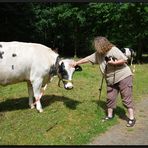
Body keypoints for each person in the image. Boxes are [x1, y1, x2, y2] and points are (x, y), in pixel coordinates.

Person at [71, 36, 136, 127]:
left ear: (101, 45)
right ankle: (109, 116)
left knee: (126, 97)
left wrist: (114, 63)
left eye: (96, 45)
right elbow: (87, 59)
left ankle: (132, 118)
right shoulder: (98, 54)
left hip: (123, 76)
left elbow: (124, 59)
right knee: (110, 98)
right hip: (110, 79)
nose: (95, 47)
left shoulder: (113, 50)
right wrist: (77, 63)